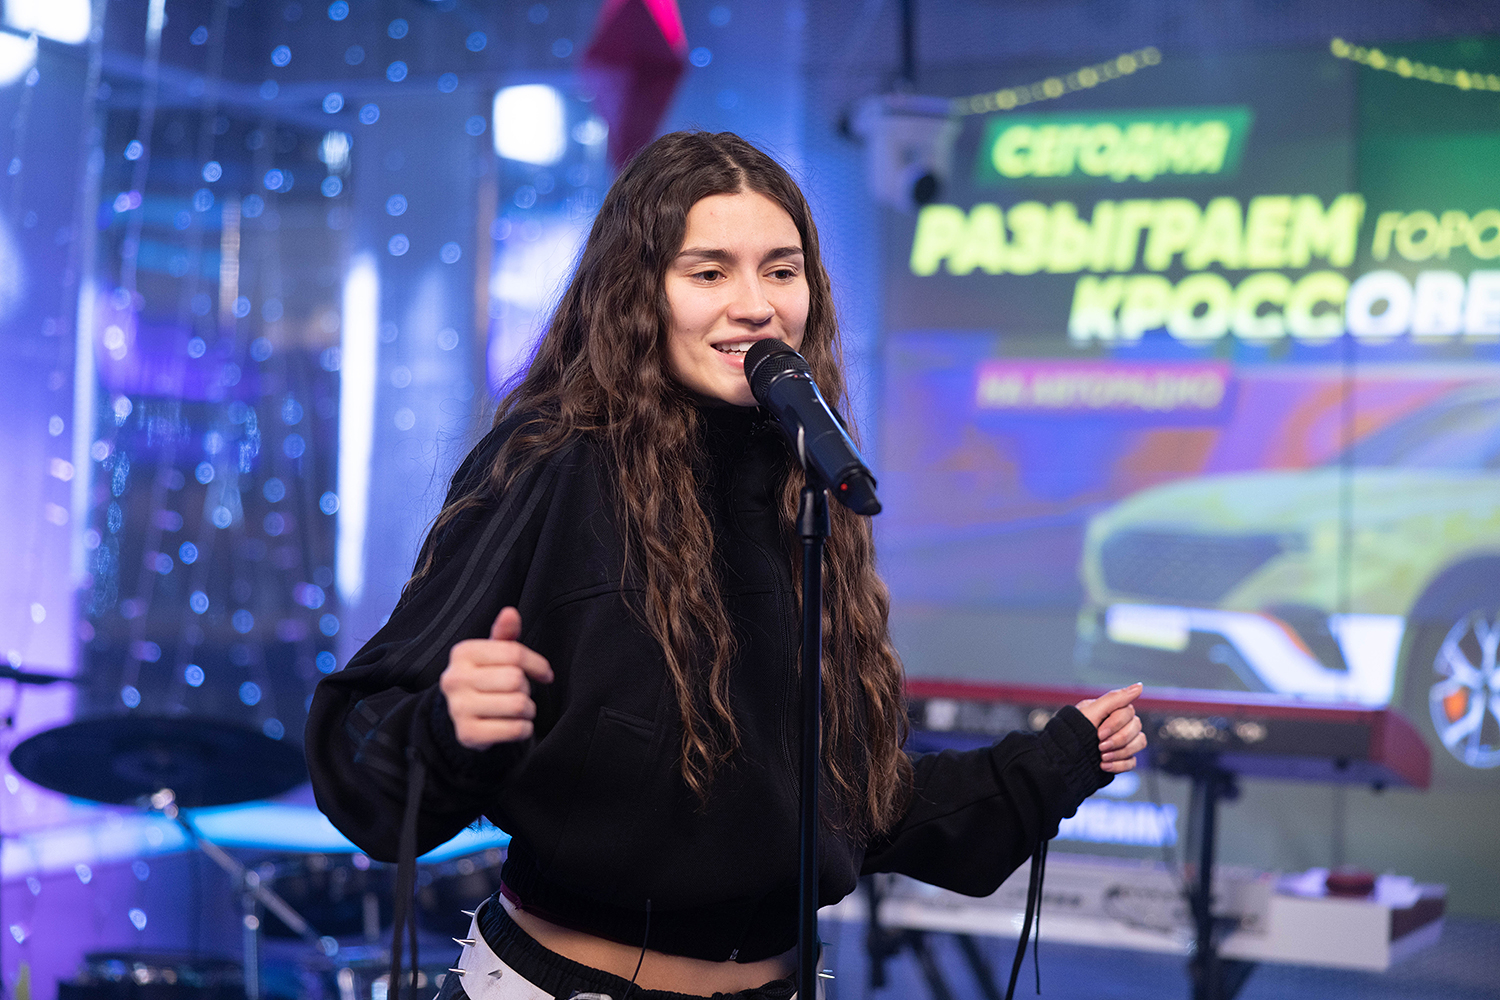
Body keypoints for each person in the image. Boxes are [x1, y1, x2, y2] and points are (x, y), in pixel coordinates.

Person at [305, 130, 1146, 1000]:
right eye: (709, 273)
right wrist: (449, 723)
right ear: (639, 291)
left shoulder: (800, 485)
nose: (755, 306)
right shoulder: (555, 462)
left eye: (781, 271)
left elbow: (834, 807)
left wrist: (1049, 766)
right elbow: (364, 744)